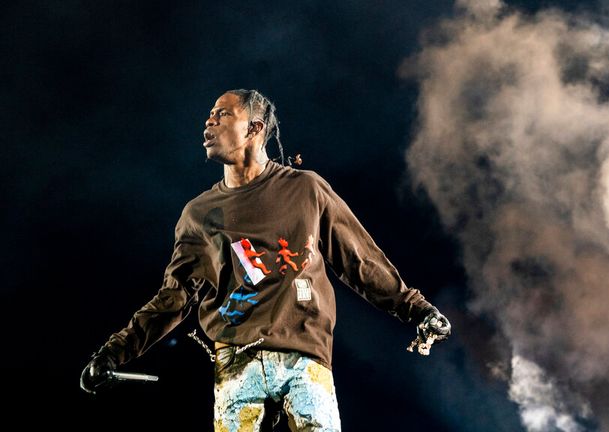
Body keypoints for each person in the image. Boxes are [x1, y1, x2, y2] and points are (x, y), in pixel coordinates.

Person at [79, 89, 451, 431]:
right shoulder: (199, 214)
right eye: (209, 115)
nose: (209, 121)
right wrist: (113, 352)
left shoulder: (306, 189)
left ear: (254, 128)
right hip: (236, 362)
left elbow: (360, 259)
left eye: (221, 115)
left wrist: (417, 309)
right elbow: (173, 298)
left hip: (304, 356)